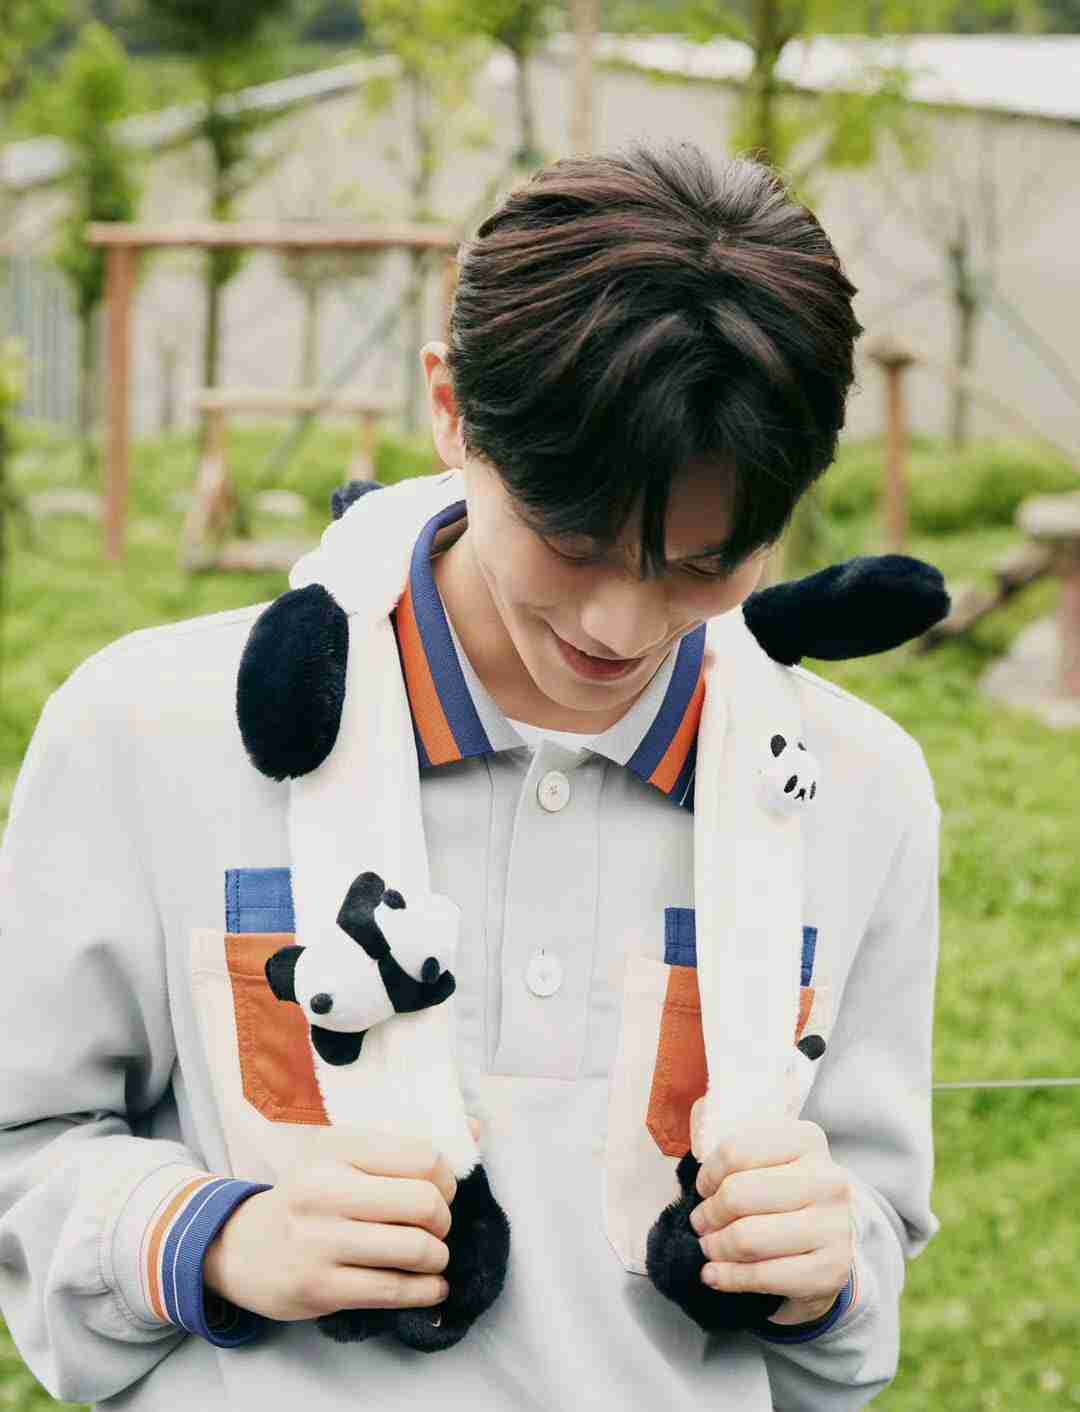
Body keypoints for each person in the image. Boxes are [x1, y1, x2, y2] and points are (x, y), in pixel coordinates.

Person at [0, 138, 942, 1410]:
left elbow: (869, 1241)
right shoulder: (145, 730)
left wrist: (827, 1261)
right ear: (449, 407)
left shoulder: (858, 790)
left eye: (703, 562)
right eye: (573, 539)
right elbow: (23, 1147)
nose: (620, 625)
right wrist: (219, 1238)